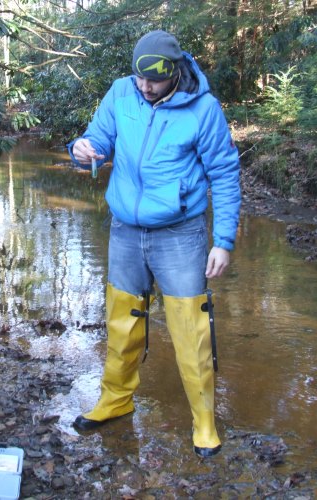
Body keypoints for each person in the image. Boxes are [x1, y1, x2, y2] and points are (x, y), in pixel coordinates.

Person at [67, 30, 241, 457]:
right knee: (121, 321)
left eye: (155, 81)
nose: (145, 87)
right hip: (125, 229)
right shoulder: (121, 93)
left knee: (190, 327)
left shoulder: (203, 109)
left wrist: (223, 240)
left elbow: (224, 173)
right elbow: (98, 141)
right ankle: (115, 399)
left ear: (175, 72)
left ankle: (203, 420)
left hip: (180, 234)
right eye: (140, 79)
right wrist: (83, 151)